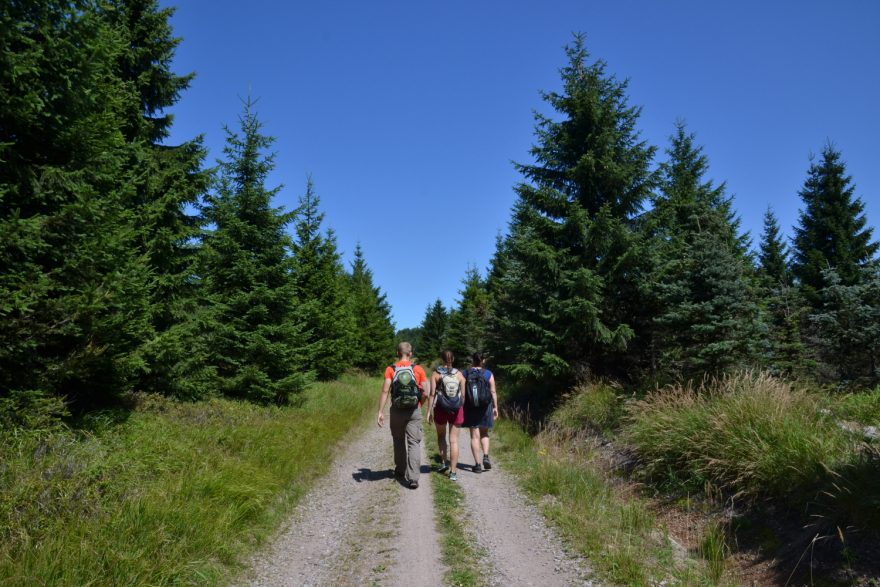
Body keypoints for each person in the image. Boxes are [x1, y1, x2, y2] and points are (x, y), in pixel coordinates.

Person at [377, 342, 428, 489]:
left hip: (397, 410)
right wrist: (420, 404)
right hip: (414, 410)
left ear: (397, 353)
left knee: (398, 440)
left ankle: (400, 471)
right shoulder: (418, 369)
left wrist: (380, 411)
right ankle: (413, 478)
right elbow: (425, 392)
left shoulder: (391, 369)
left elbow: (385, 391)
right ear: (410, 353)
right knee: (414, 443)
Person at [427, 350, 466, 482]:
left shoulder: (436, 374)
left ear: (441, 359)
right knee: (454, 441)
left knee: (441, 436)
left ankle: (444, 463)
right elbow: (463, 396)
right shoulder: (460, 375)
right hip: (457, 409)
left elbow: (432, 394)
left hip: (440, 409)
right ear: (453, 359)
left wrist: (429, 411)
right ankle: (453, 472)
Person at [462, 352, 498, 473]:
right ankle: (486, 456)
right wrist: (495, 407)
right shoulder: (488, 373)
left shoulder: (466, 373)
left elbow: (462, 391)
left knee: (474, 436)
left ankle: (477, 465)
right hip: (485, 407)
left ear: (472, 360)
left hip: (470, 407)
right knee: (484, 433)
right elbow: (493, 392)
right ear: (483, 360)